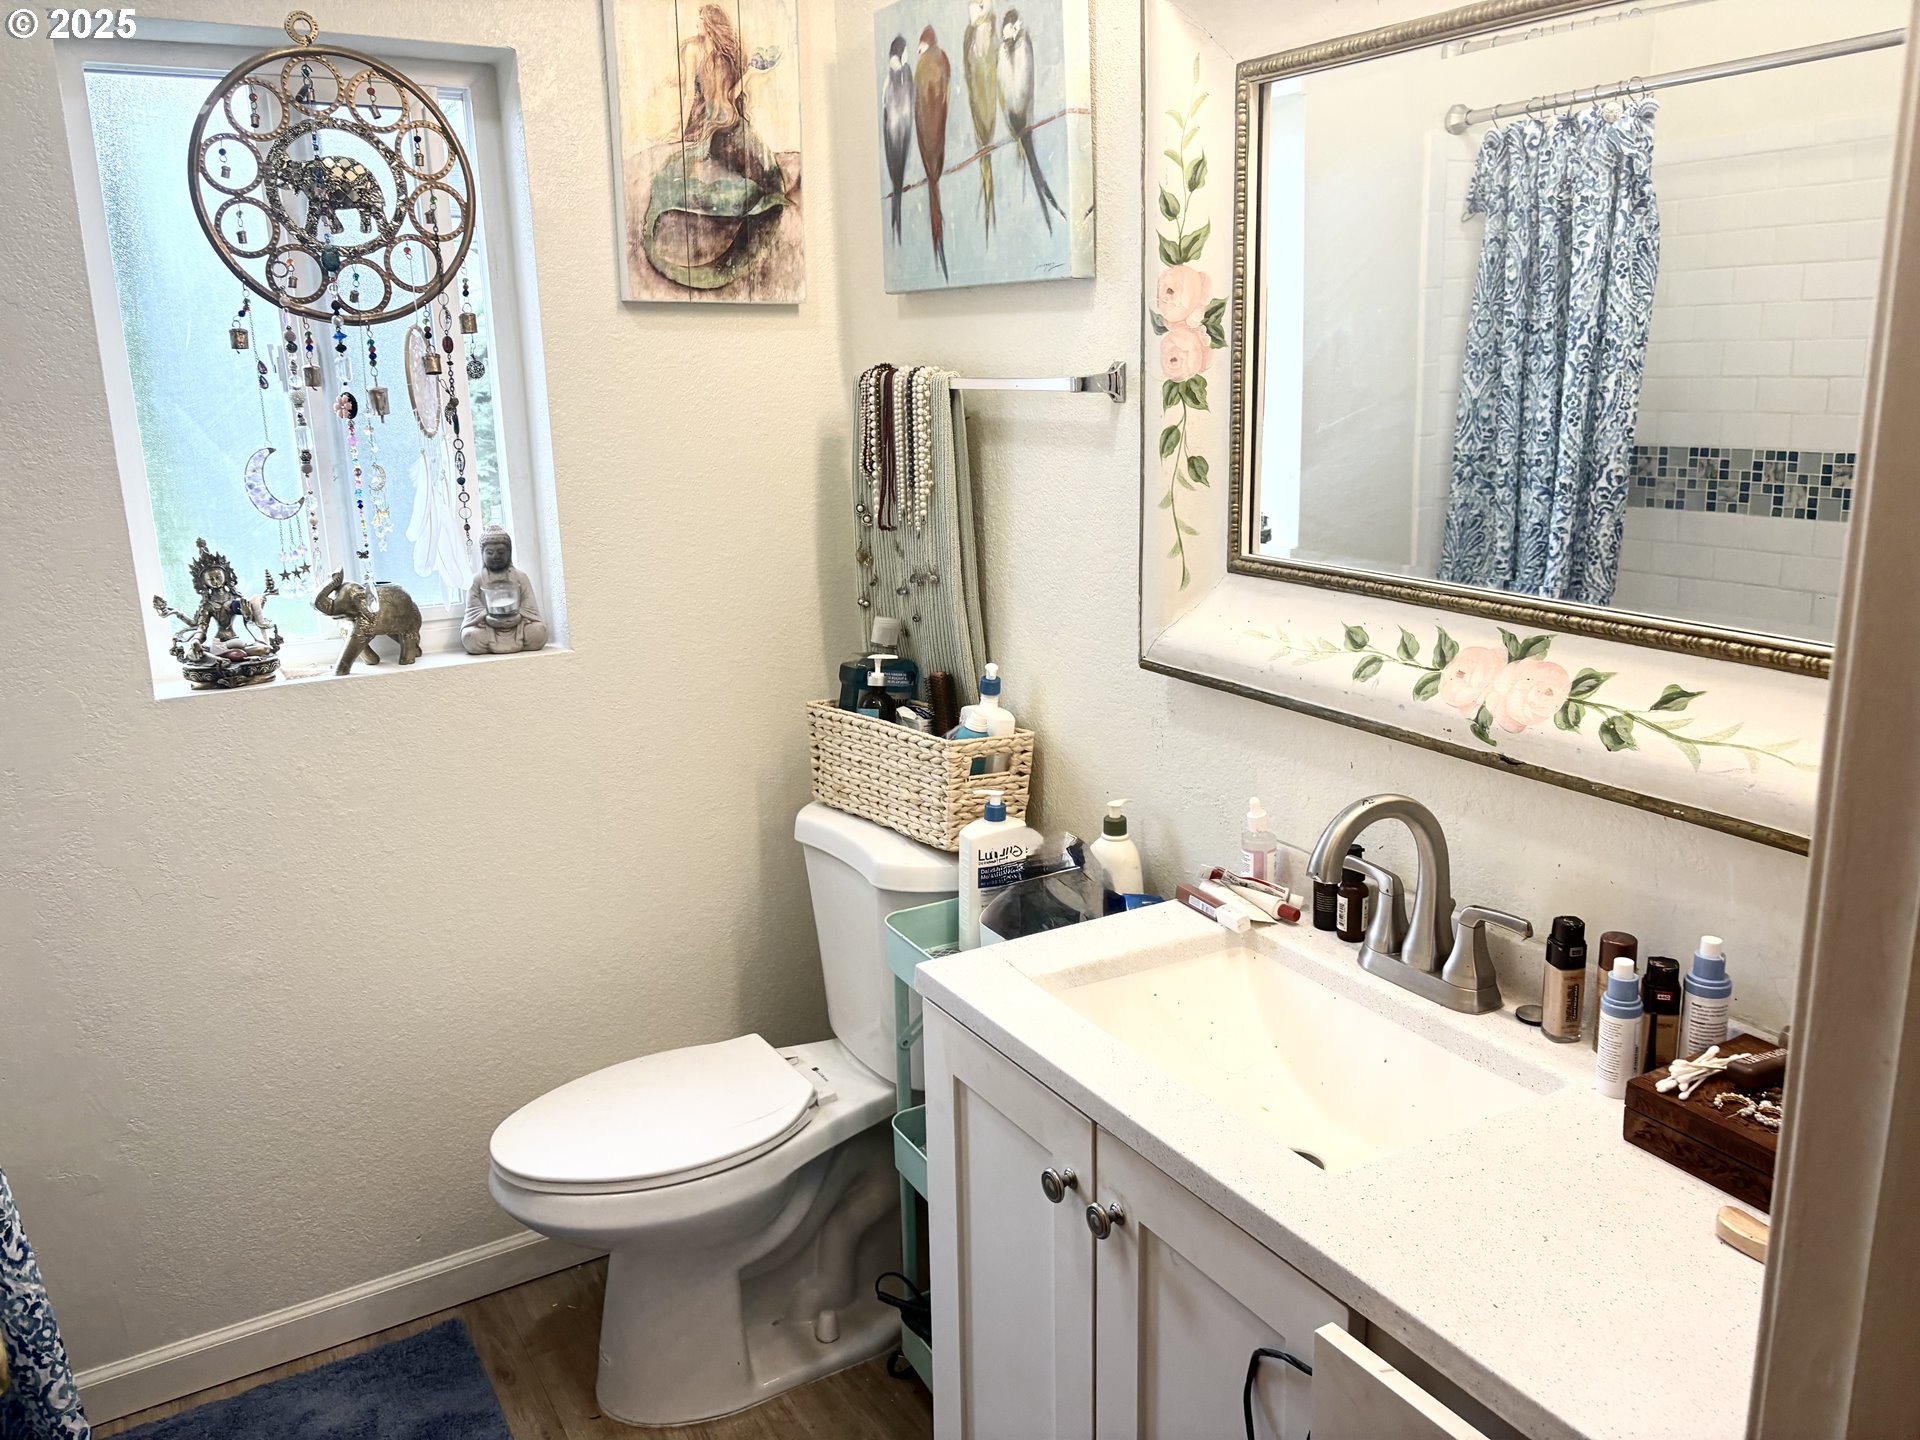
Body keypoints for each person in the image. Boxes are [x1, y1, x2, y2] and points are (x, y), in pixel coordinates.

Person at [461, 529, 549, 655]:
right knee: (470, 637)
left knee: (539, 632)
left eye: (501, 552)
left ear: (509, 553)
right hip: (488, 627)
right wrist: (488, 617)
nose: (495, 556)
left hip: (517, 625)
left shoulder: (520, 577)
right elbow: (473, 610)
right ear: (482, 554)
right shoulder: (477, 580)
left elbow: (529, 606)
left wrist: (518, 617)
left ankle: (519, 638)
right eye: (489, 552)